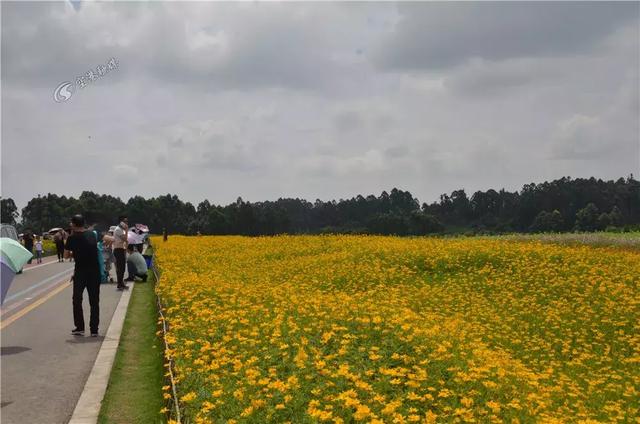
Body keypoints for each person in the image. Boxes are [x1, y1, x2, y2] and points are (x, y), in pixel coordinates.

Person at [64, 214, 100, 337]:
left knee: (77, 300)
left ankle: (80, 327)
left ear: (74, 224)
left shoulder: (71, 238)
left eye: (71, 223)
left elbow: (66, 256)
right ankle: (94, 329)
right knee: (94, 301)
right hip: (94, 272)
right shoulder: (92, 234)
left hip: (80, 272)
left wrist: (75, 251)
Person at [113, 215, 129, 291]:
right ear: (121, 222)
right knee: (120, 268)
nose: (126, 223)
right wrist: (126, 230)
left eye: (127, 221)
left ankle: (121, 283)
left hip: (121, 250)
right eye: (125, 221)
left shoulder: (120, 229)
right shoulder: (118, 230)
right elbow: (125, 239)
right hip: (118, 250)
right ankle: (119, 284)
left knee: (122, 268)